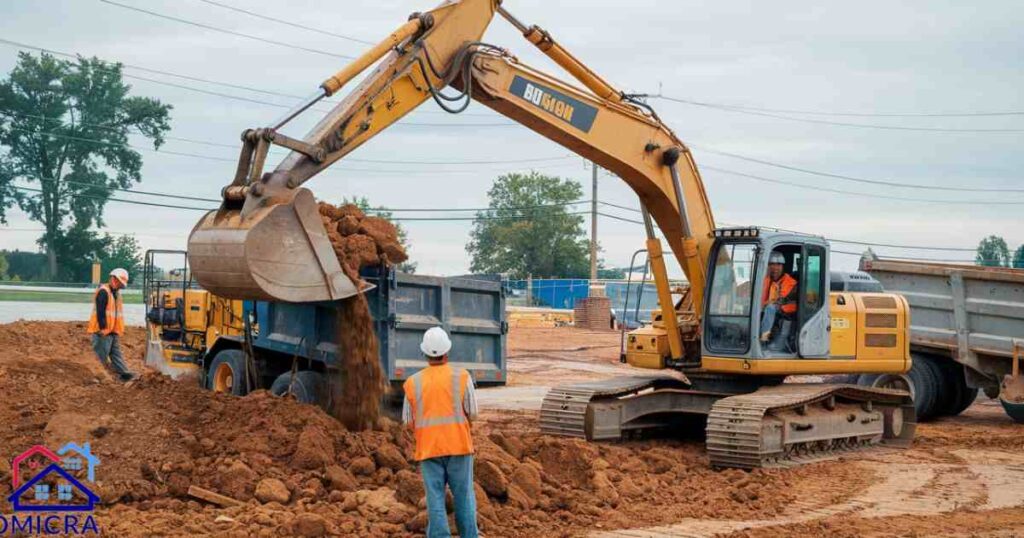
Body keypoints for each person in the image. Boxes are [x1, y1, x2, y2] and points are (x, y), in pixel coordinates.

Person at [402, 327, 479, 538]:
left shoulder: (412, 382)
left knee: (435, 499)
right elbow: (473, 413)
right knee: (464, 497)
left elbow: (408, 421)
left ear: (424, 353)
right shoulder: (462, 376)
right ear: (447, 351)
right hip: (459, 446)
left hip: (428, 449)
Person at [87, 268, 136, 382]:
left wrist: (114, 330)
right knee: (101, 356)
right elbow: (100, 312)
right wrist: (103, 329)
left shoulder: (115, 293)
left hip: (112, 331)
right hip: (103, 331)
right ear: (113, 279)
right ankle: (97, 377)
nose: (120, 286)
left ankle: (124, 374)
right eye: (119, 283)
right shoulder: (104, 292)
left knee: (116, 353)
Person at [760, 251, 798, 345]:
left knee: (770, 308)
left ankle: (763, 338)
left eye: (778, 265)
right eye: (772, 265)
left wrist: (763, 305)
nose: (775, 268)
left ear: (782, 267)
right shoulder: (766, 280)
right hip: (771, 306)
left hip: (787, 308)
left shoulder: (789, 282)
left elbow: (780, 301)